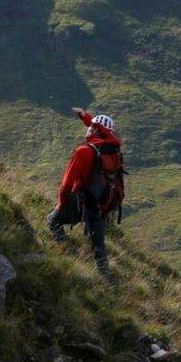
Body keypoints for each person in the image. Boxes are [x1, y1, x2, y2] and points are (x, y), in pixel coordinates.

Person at [47, 108, 125, 278]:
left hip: (81, 204)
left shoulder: (84, 151)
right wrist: (86, 118)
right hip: (102, 205)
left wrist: (61, 204)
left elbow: (66, 184)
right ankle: (107, 280)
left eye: (90, 127)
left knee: (52, 220)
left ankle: (65, 253)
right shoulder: (114, 150)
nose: (87, 129)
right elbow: (99, 130)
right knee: (99, 246)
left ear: (95, 129)